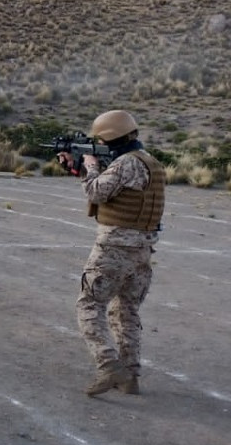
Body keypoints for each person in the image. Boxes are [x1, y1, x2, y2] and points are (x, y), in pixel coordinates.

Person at [59, 110, 164, 396]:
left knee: (89, 305)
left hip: (115, 248)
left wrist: (90, 166)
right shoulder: (149, 161)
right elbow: (115, 191)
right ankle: (130, 376)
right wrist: (77, 167)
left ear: (109, 136)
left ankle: (108, 365)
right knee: (126, 310)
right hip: (142, 250)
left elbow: (96, 192)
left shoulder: (125, 164)